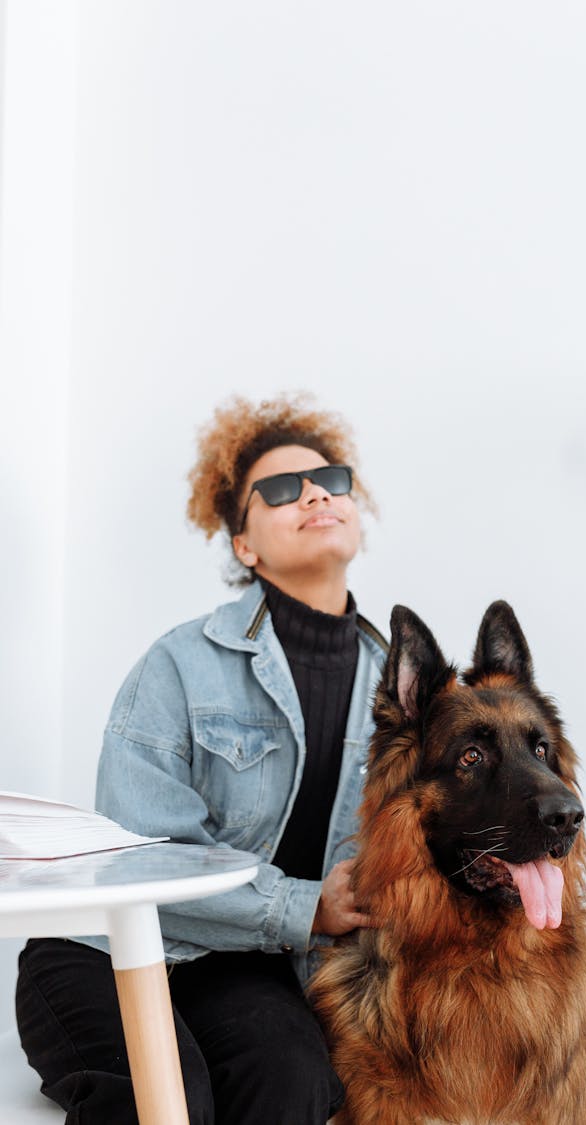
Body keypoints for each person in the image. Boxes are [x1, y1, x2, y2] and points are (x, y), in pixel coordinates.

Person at [15, 393, 388, 1125]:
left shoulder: (400, 687)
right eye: (281, 490)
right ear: (243, 545)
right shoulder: (181, 664)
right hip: (103, 947)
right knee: (166, 1099)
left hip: (241, 968)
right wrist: (308, 907)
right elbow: (144, 861)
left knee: (295, 1080)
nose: (316, 492)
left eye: (331, 480)